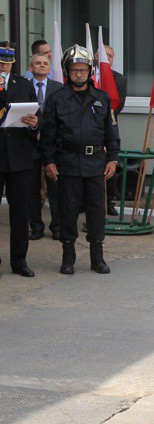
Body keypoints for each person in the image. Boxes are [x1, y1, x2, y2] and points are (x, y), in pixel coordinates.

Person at [40, 45, 120, 275]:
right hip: (67, 163)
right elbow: (48, 136)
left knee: (96, 211)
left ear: (89, 71)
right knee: (68, 211)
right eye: (74, 70)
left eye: (83, 70)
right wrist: (48, 161)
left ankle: (97, 257)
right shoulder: (57, 99)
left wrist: (113, 159)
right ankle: (68, 257)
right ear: (67, 71)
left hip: (95, 162)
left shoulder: (102, 99)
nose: (79, 74)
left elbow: (112, 133)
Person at [0, 41, 39, 278]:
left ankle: (19, 261)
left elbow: (37, 116)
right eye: (1, 63)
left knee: (20, 213)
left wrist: (35, 124)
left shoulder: (23, 84)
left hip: (20, 158)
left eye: (7, 63)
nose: (4, 67)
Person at [27, 53, 64, 242]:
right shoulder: (23, 87)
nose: (41, 66)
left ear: (50, 68)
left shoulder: (59, 89)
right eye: (37, 63)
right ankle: (36, 227)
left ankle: (57, 227)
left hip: (52, 146)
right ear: (31, 67)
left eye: (45, 63)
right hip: (30, 144)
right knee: (32, 188)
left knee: (55, 187)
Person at [95, 45, 127, 216]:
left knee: (111, 164)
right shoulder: (89, 77)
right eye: (104, 55)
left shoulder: (119, 79)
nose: (107, 58)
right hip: (86, 130)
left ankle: (109, 202)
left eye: (110, 55)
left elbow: (118, 105)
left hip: (109, 127)